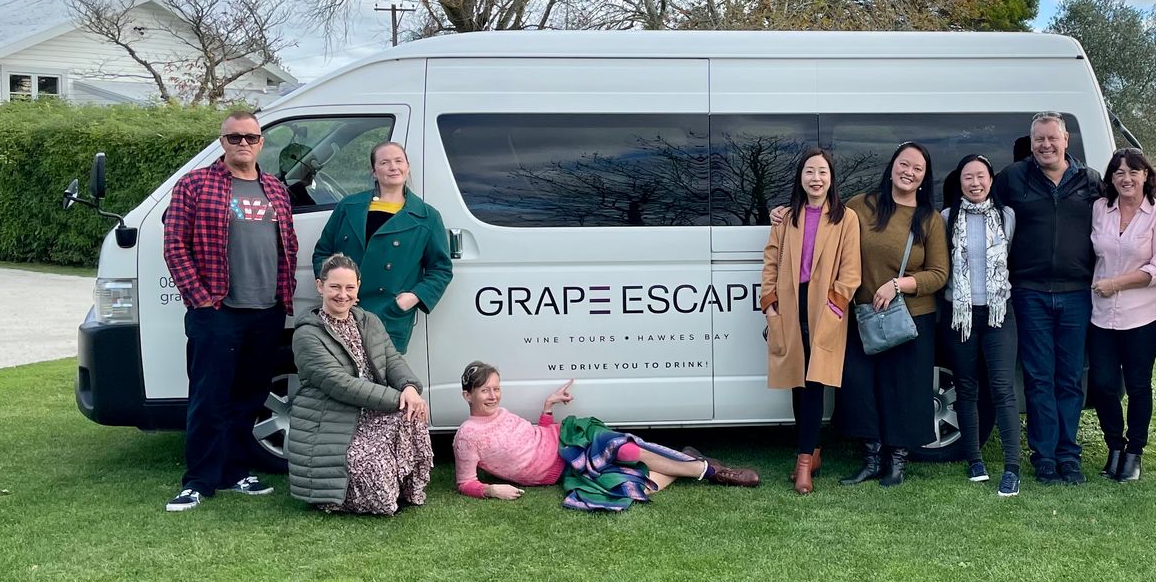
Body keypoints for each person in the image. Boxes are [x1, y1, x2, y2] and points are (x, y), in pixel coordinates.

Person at [160, 108, 299, 512]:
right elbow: (174, 246)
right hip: (217, 310)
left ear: (261, 143)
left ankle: (235, 472)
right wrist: (200, 298)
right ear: (222, 142)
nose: (243, 144)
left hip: (266, 311)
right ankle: (199, 480)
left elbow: (287, 245)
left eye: (250, 138)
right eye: (234, 137)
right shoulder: (195, 185)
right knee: (209, 397)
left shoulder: (274, 188)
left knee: (249, 396)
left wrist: (283, 294)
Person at [453, 362, 756, 505]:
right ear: (468, 396)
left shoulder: (503, 413)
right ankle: (687, 461)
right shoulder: (467, 436)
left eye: (496, 388)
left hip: (569, 437)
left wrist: (547, 410)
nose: (493, 396)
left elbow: (535, 438)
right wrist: (493, 490)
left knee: (624, 450)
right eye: (484, 391)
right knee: (628, 491)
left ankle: (711, 470)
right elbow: (465, 482)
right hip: (564, 468)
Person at [994, 111, 1104, 485]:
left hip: (1077, 293)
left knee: (1070, 378)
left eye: (1052, 138)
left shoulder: (1089, 180)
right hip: (1029, 292)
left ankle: (1068, 456)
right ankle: (1043, 457)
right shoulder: (1012, 179)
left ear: (1066, 140)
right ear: (1031, 142)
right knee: (1039, 378)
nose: (1045, 145)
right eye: (1039, 138)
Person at [838, 142, 950, 489]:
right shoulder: (861, 205)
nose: (909, 172)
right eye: (904, 164)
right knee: (863, 388)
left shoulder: (928, 219)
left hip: (911, 318)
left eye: (918, 169)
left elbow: (939, 273)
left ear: (924, 177)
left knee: (903, 390)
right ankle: (870, 460)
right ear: (892, 166)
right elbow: (825, 224)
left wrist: (900, 284)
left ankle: (897, 463)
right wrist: (785, 212)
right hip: (865, 317)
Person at [287, 253, 434, 516]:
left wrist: (410, 388)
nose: (342, 294)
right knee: (361, 462)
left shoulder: (369, 321)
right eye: (334, 287)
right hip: (334, 419)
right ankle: (346, 497)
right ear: (320, 286)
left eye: (349, 287)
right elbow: (340, 384)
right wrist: (399, 399)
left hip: (371, 410)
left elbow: (392, 360)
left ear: (358, 288)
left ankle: (404, 489)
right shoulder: (307, 333)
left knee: (413, 413)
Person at [761, 149, 862, 495]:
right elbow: (771, 262)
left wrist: (836, 307)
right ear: (800, 177)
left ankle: (803, 461)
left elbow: (851, 271)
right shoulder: (787, 217)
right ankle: (812, 453)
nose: (815, 178)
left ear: (831, 177)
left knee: (815, 381)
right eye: (809, 171)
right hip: (790, 305)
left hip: (825, 307)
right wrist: (770, 304)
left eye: (822, 171)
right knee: (796, 381)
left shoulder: (845, 218)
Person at [1087, 148, 1156, 482]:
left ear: (1146, 176)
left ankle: (1134, 452)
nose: (1126, 178)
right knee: (1103, 385)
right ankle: (1114, 446)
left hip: (1143, 316)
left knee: (1138, 385)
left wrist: (1115, 284)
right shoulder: (1100, 209)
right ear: (1111, 179)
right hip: (1101, 315)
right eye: (1119, 172)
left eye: (1133, 172)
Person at [310, 140, 453, 353]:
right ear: (374, 171)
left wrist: (410, 299)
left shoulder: (426, 216)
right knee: (339, 378)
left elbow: (441, 270)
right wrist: (332, 290)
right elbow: (323, 252)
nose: (393, 167)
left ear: (408, 167)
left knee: (381, 381)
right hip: (342, 309)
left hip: (389, 314)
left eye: (398, 161)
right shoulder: (349, 206)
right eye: (384, 162)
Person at [943, 153, 1022, 497]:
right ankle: (974, 460)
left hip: (998, 313)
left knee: (1003, 388)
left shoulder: (1007, 216)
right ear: (959, 183)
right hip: (960, 314)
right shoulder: (947, 217)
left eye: (981, 177)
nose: (975, 183)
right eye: (967, 178)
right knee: (966, 387)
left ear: (991, 180)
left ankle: (1012, 467)